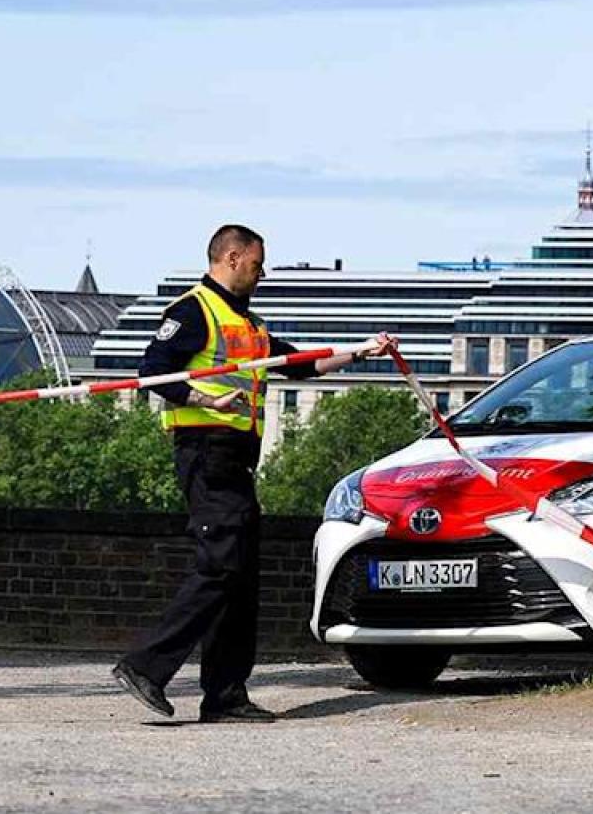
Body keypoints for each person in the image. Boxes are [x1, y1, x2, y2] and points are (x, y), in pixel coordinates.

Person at [111, 224, 392, 722]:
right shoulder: (194, 310)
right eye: (258, 265)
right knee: (220, 566)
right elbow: (153, 370)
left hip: (235, 461)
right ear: (233, 257)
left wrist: (359, 351)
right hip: (206, 453)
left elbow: (299, 364)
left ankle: (225, 695)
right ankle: (145, 667)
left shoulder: (249, 324)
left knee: (239, 577)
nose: (262, 274)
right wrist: (208, 397)